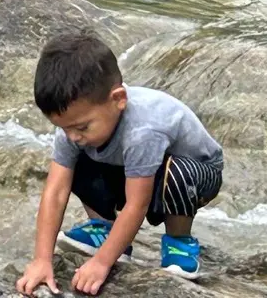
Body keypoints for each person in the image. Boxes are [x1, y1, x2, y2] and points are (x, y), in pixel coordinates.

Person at [16, 31, 223, 295]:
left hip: (195, 175)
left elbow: (138, 203)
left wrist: (102, 262)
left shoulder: (143, 130)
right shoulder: (74, 126)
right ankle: (104, 227)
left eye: (81, 126)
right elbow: (56, 191)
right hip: (136, 170)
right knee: (78, 157)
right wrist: (41, 260)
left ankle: (178, 240)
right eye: (64, 128)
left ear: (118, 100)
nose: (72, 136)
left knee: (178, 173)